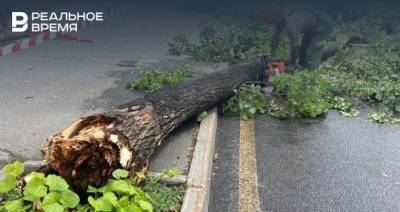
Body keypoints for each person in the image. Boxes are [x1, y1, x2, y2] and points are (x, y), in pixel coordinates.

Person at [262, 7, 333, 70]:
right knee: (303, 50)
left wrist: (292, 64)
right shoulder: (280, 19)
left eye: (271, 22)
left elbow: (296, 45)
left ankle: (312, 75)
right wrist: (272, 55)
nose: (272, 24)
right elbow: (276, 37)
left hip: (324, 25)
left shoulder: (290, 22)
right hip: (312, 27)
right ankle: (302, 68)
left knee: (313, 51)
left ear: (276, 18)